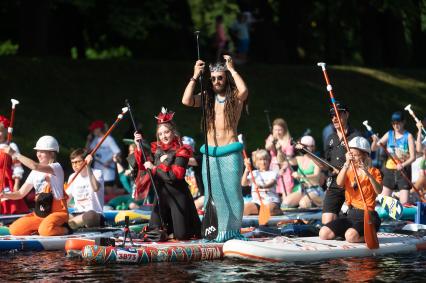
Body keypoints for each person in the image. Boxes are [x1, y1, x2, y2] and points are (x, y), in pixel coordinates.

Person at [181, 54, 248, 242]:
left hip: (230, 152)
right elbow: (186, 100)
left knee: (233, 192)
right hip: (210, 154)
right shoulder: (206, 98)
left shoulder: (234, 97)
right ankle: (214, 231)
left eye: (220, 77)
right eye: (213, 78)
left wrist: (233, 69)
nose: (217, 81)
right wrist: (195, 75)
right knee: (212, 194)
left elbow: (244, 91)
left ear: (226, 78)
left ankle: (232, 232)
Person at [134, 107, 201, 240]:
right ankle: (167, 233)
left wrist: (154, 168)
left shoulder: (182, 151)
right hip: (161, 197)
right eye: (160, 134)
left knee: (181, 235)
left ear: (173, 132)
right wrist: (138, 145)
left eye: (167, 132)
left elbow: (174, 176)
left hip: (178, 196)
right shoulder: (155, 150)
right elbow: (141, 165)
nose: (163, 136)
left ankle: (171, 233)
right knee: (153, 232)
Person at [0, 136, 69, 236]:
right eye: (38, 151)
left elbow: (34, 165)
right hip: (41, 212)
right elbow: (20, 194)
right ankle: (41, 227)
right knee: (15, 230)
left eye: (42, 152)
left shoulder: (56, 167)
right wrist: (5, 195)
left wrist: (15, 154)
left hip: (58, 212)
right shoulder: (34, 172)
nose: (38, 154)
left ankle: (66, 229)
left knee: (45, 231)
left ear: (52, 153)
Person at [319, 137, 382, 243]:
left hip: (368, 216)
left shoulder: (374, 172)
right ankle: (350, 233)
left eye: (355, 155)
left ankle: (368, 235)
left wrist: (368, 174)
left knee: (350, 236)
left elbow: (379, 191)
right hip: (351, 215)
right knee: (323, 233)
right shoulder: (348, 170)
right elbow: (339, 183)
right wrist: (346, 163)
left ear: (364, 155)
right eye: (350, 154)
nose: (352, 158)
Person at [321, 103, 362, 224]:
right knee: (326, 223)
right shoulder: (330, 138)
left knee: (353, 222)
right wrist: (306, 153)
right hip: (334, 183)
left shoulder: (356, 136)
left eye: (338, 114)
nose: (334, 118)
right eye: (332, 115)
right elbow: (325, 164)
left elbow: (363, 162)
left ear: (346, 114)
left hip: (352, 183)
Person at [371, 111, 415, 204]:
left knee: (404, 202)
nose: (396, 126)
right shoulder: (389, 134)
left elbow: (413, 157)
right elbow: (374, 148)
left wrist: (403, 165)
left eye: (398, 123)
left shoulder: (408, 136)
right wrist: (375, 141)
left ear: (403, 122)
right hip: (389, 171)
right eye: (394, 123)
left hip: (403, 172)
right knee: (383, 200)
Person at [66, 148, 104, 229]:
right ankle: (74, 223)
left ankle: (71, 224)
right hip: (77, 214)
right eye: (72, 163)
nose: (74, 165)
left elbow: (95, 188)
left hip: (94, 214)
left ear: (85, 161)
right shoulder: (72, 177)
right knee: (61, 214)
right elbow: (66, 200)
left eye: (78, 162)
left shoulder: (97, 173)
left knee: (90, 215)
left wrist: (88, 167)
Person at [282, 136, 324, 208]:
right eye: (303, 146)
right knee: (285, 203)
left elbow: (316, 176)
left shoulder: (317, 160)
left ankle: (310, 216)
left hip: (315, 190)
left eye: (307, 146)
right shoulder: (298, 159)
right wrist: (279, 150)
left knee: (303, 203)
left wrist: (300, 175)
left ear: (313, 147)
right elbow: (284, 161)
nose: (305, 148)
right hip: (302, 189)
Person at [0, 115, 28, 214]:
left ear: (6, 131)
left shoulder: (11, 146)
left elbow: (17, 167)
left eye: (1, 130)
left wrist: (16, 185)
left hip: (6, 181)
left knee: (8, 206)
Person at [241, 149, 281, 216]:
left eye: (265, 159)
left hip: (271, 200)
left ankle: (277, 211)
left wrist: (262, 187)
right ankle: (259, 212)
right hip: (257, 202)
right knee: (244, 209)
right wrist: (246, 170)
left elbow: (272, 183)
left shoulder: (273, 173)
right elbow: (244, 183)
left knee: (268, 210)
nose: (263, 162)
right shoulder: (254, 173)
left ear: (269, 161)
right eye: (260, 160)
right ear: (256, 162)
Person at [86, 120, 121, 197]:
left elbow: (117, 152)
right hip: (97, 170)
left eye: (94, 129)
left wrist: (108, 162)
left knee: (109, 192)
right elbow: (88, 151)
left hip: (108, 170)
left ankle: (124, 193)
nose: (93, 131)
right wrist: (88, 140)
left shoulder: (109, 139)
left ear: (99, 129)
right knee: (98, 191)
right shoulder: (95, 139)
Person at [108, 141, 146, 210]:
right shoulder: (131, 164)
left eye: (133, 150)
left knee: (131, 205)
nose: (130, 153)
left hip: (143, 197)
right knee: (112, 202)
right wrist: (117, 162)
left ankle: (142, 214)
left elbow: (143, 172)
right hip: (131, 196)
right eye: (130, 151)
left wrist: (133, 171)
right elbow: (123, 175)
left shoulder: (144, 163)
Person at [265, 118, 294, 196]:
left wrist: (283, 168)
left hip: (285, 167)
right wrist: (272, 140)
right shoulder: (271, 138)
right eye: (275, 130)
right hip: (274, 166)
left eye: (279, 130)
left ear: (284, 129)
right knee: (274, 189)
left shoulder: (288, 140)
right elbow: (267, 147)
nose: (277, 132)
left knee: (286, 190)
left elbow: (289, 157)